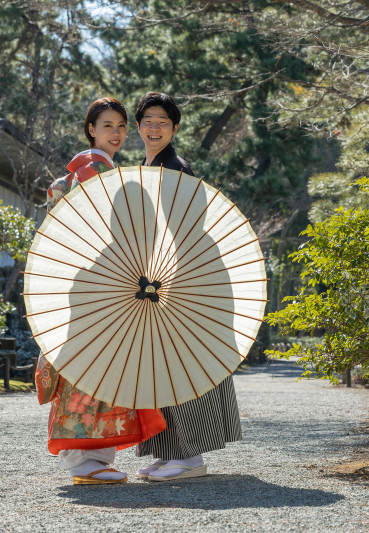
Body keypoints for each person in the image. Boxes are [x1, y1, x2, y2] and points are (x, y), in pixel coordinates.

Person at [36, 96, 167, 485]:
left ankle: (92, 459)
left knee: (96, 367)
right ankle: (84, 460)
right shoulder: (95, 171)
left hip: (91, 283)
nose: (116, 132)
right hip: (97, 284)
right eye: (107, 125)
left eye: (122, 126)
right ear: (91, 129)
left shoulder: (87, 171)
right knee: (94, 369)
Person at [134, 92, 243, 482]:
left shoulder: (175, 168)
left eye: (163, 120)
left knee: (182, 363)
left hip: (184, 278)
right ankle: (168, 451)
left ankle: (191, 456)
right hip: (159, 277)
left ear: (175, 128)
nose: (154, 126)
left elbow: (184, 229)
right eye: (148, 119)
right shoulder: (146, 167)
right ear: (139, 126)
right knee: (158, 366)